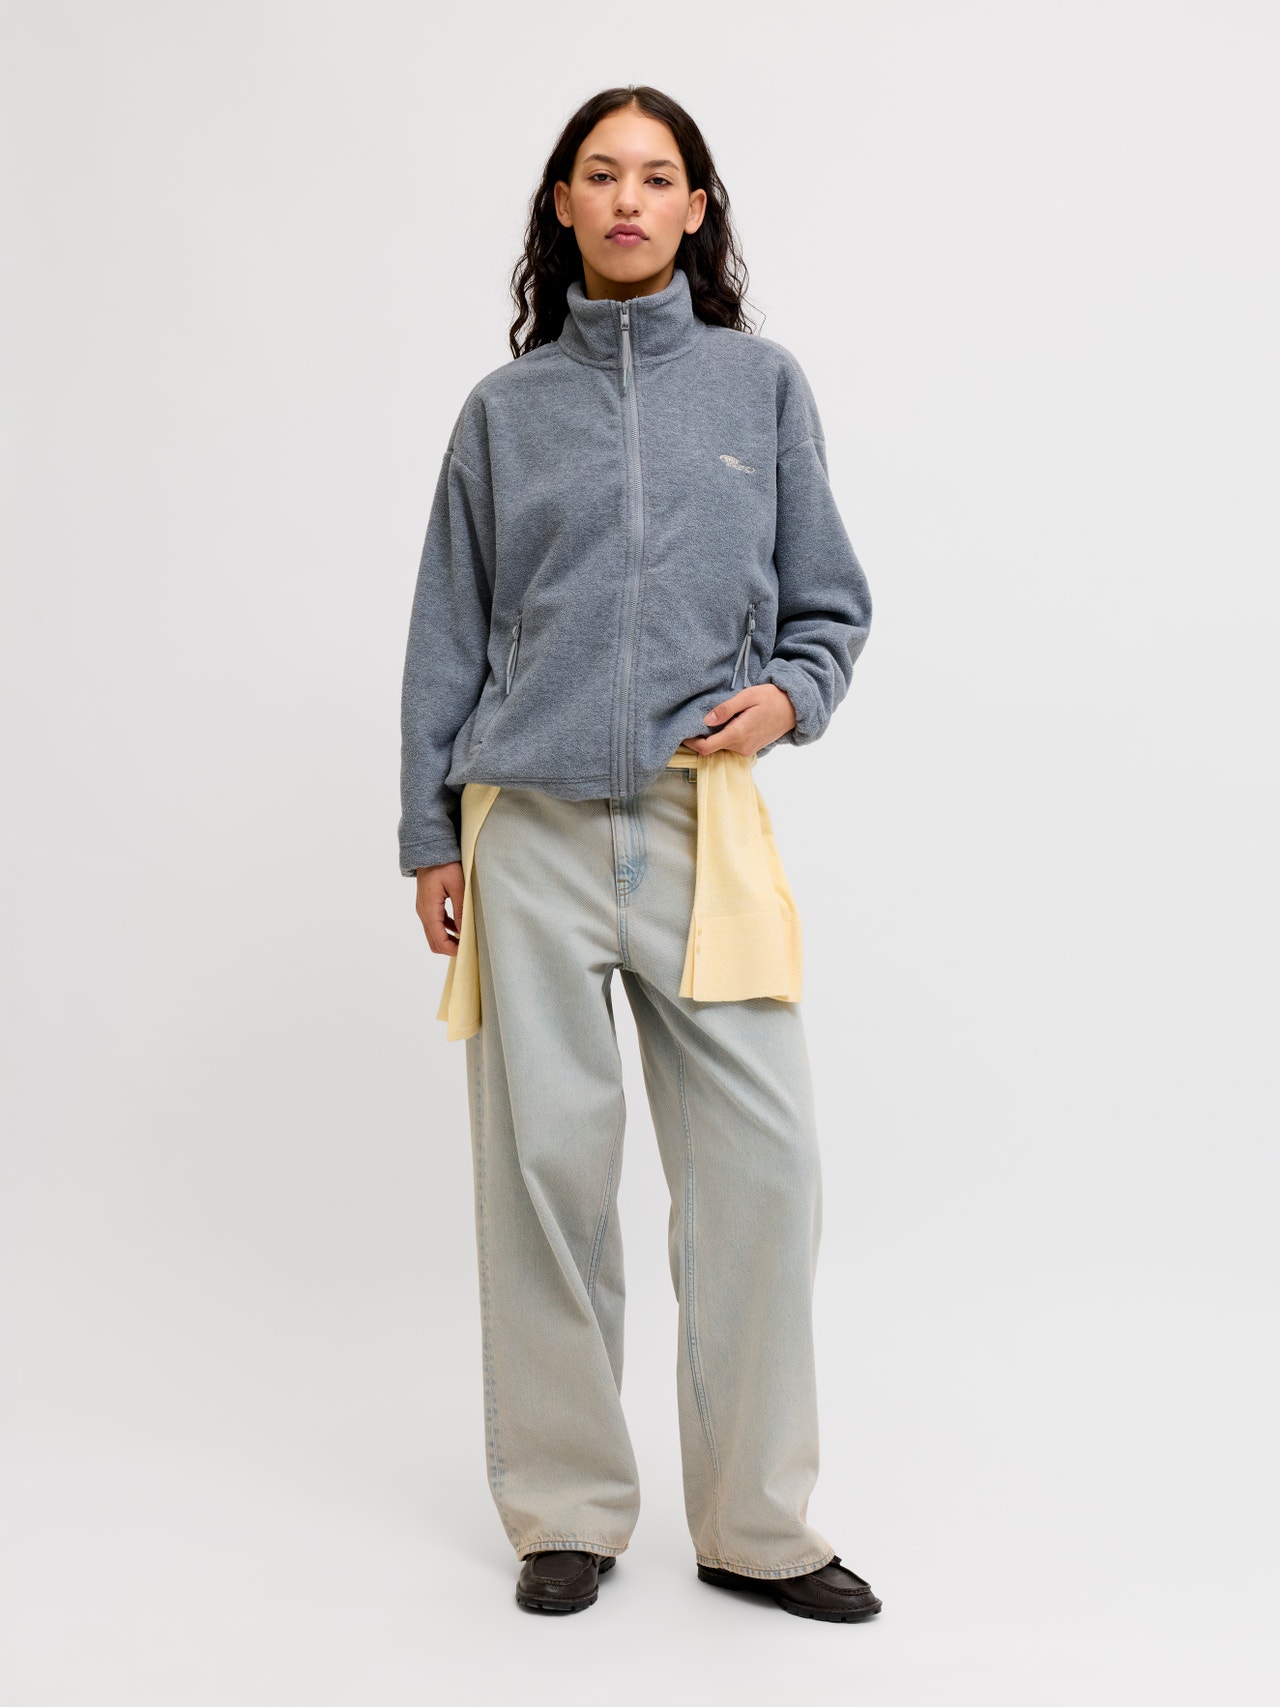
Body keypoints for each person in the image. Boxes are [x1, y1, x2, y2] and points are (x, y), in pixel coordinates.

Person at [398, 83, 881, 1624]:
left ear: (694, 208)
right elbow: (448, 632)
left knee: (764, 1176)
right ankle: (566, 1512)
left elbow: (830, 603)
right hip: (524, 831)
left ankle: (757, 1527)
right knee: (546, 1177)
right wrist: (428, 833)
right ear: (562, 203)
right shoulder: (504, 412)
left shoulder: (760, 388)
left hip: (699, 821)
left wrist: (791, 695)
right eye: (599, 174)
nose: (626, 199)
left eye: (656, 176)